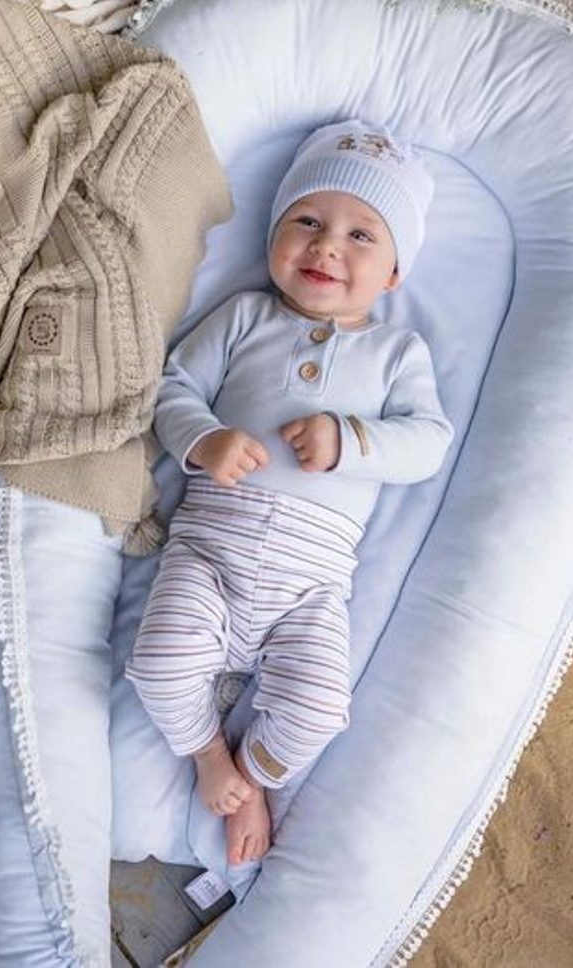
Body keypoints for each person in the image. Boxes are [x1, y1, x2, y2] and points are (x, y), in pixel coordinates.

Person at [126, 119, 455, 867]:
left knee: (318, 710)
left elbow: (428, 443)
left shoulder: (397, 353)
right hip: (209, 551)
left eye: (361, 235)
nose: (327, 245)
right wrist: (203, 440)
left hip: (310, 586)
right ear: (275, 235)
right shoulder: (245, 318)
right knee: (160, 659)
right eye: (305, 221)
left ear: (396, 274)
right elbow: (173, 387)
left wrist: (352, 441)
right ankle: (208, 753)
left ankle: (254, 779)